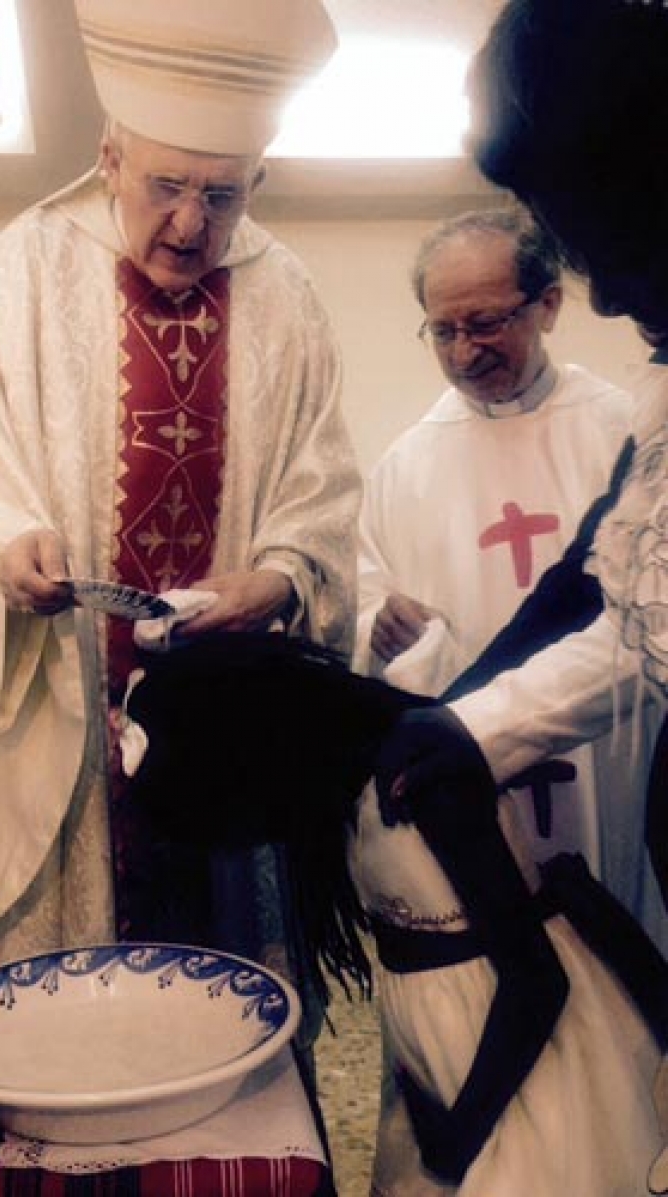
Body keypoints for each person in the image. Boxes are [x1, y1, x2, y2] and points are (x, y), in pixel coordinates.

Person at [0, 0, 360, 1034]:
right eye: (167, 187)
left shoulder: (287, 300)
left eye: (222, 195)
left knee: (238, 1007)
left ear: (260, 185)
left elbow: (324, 493)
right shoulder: (16, 276)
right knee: (77, 1025)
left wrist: (283, 577)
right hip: (76, 738)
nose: (192, 225)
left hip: (229, 731)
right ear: (109, 156)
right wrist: (3, 551)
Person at [370, 3, 668, 1187]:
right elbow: (620, 608)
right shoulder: (409, 461)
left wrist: (473, 727)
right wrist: (456, 719)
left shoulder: (614, 413)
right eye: (442, 330)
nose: (602, 296)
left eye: (604, 248)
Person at [120, 631, 667, 1195]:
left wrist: (459, 1139)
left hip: (515, 1072)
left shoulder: (421, 787)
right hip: (441, 1059)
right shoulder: (341, 795)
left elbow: (536, 980)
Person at [356, 207, 668, 950]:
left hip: (605, 754)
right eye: (444, 330)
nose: (465, 352)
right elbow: (363, 586)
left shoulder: (624, 428)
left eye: (488, 323)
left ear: (549, 305)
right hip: (465, 746)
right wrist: (379, 621)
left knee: (619, 926)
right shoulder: (407, 462)